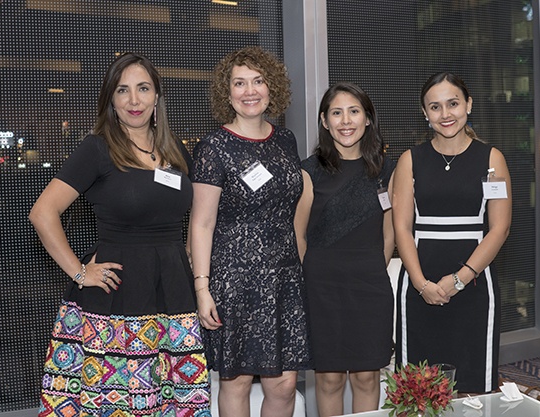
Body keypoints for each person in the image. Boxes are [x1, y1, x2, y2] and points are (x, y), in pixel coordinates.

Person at [29, 52, 210, 416]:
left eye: (143, 88)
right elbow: (42, 213)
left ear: (157, 96)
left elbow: (198, 212)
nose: (134, 100)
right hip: (118, 292)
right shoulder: (97, 148)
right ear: (111, 100)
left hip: (172, 287)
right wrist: (80, 272)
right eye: (123, 90)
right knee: (115, 400)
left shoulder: (174, 149)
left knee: (171, 397)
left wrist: (190, 252)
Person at [190, 46, 311, 417]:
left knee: (285, 386)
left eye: (258, 81)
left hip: (283, 279)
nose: (249, 91)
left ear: (271, 87)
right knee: (237, 382)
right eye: (239, 83)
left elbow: (291, 209)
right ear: (227, 93)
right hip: (235, 280)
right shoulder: (214, 148)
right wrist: (202, 288)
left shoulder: (285, 140)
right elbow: (201, 223)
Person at [392, 72, 512, 394]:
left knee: (473, 387)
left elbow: (499, 229)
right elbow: (401, 227)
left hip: (474, 284)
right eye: (435, 107)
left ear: (468, 105)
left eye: (453, 104)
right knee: (417, 391)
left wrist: (459, 279)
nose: (445, 114)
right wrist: (421, 284)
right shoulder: (409, 160)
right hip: (420, 286)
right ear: (425, 112)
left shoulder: (491, 159)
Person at [294, 82, 395, 416]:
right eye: (336, 113)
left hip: (370, 285)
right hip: (323, 288)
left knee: (367, 377)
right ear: (325, 121)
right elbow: (299, 235)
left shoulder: (385, 170)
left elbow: (390, 231)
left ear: (368, 118)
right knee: (329, 380)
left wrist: (373, 268)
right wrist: (314, 276)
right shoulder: (309, 170)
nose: (346, 120)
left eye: (354, 111)